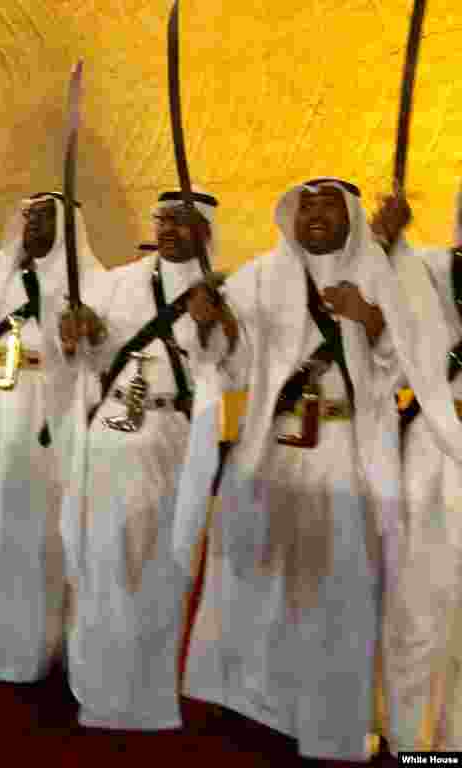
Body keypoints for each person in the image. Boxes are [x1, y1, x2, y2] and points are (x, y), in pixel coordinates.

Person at [182, 178, 400, 762]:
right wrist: (214, 324)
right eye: (307, 203)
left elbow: (405, 367)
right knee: (261, 579)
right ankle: (255, 701)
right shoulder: (260, 275)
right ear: (291, 216)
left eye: (331, 203)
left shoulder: (381, 274)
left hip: (343, 451)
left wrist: (370, 317)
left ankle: (327, 712)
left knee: (334, 586)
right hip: (271, 447)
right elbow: (234, 365)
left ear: (350, 216)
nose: (318, 214)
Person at [51, 190, 218, 730]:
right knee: (102, 560)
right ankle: (94, 688)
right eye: (162, 220)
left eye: (181, 222)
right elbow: (91, 349)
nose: (169, 229)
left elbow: (233, 370)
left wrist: (217, 326)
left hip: (169, 438)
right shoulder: (121, 281)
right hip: (109, 430)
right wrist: (83, 332)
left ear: (204, 230)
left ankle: (144, 697)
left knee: (155, 564)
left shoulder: (222, 290)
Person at [0, 192, 98, 682]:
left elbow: (103, 339)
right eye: (28, 216)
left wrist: (82, 333)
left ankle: (29, 648)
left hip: (41, 408)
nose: (31, 225)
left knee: (29, 523)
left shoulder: (88, 278)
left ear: (67, 227)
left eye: (44, 218)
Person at [369, 187, 462, 753]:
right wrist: (383, 241)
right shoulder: (424, 268)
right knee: (415, 610)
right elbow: (382, 343)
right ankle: (413, 747)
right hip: (433, 448)